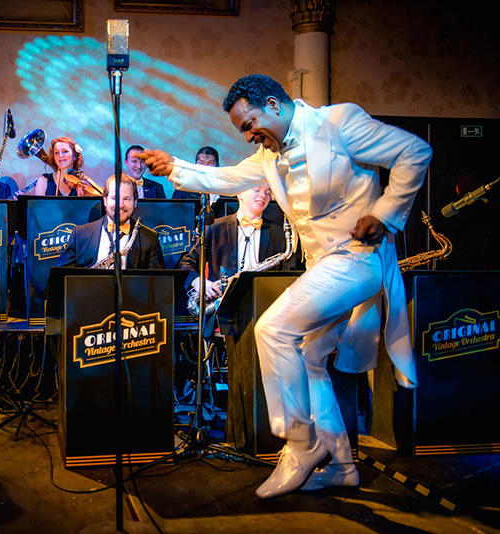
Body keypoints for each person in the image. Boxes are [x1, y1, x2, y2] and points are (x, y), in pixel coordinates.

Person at [139, 74, 432, 499]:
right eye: (242, 130)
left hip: (358, 258)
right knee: (311, 356)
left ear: (274, 105)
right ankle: (342, 466)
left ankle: (300, 443)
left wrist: (385, 213)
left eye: (249, 124)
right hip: (323, 267)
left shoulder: (338, 123)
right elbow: (226, 178)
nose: (248, 136)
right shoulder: (268, 156)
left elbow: (414, 152)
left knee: (273, 329)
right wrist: (175, 167)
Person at [178, 184, 299, 306]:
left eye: (268, 193)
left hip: (264, 305)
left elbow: (290, 275)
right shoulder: (215, 228)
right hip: (222, 305)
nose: (263, 195)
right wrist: (197, 281)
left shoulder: (280, 234)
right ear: (240, 193)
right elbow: (186, 263)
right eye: (257, 190)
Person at [57, 174, 165, 269]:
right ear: (105, 200)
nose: (120, 205)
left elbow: (158, 283)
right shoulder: (80, 235)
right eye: (114, 198)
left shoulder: (150, 239)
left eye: (126, 199)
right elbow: (61, 278)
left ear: (135, 202)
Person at [28, 136, 101, 197]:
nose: (60, 156)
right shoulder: (43, 180)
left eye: (65, 151)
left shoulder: (83, 183)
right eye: (56, 152)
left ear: (74, 155)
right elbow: (39, 208)